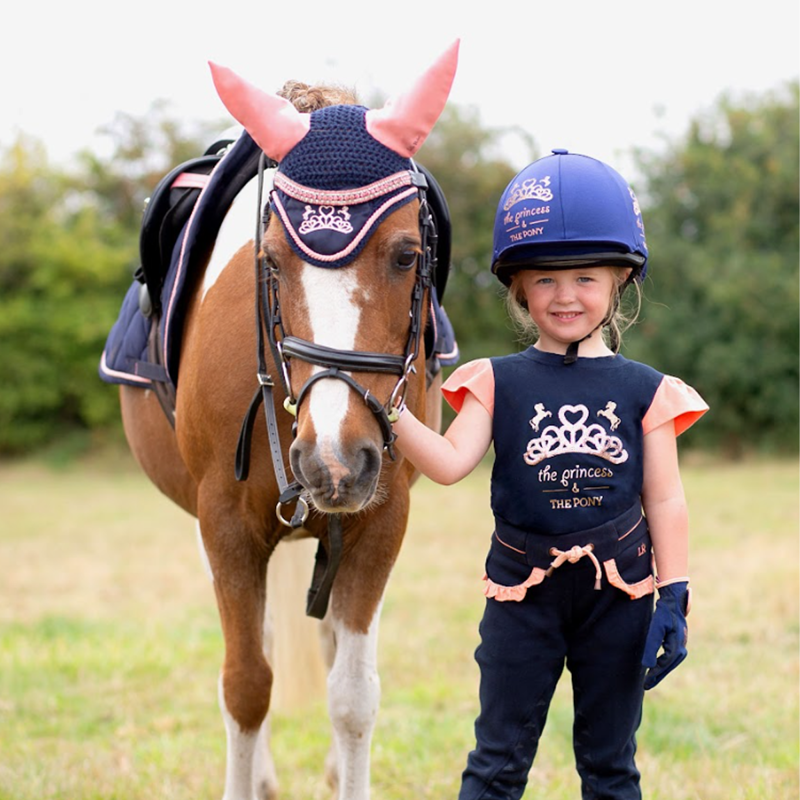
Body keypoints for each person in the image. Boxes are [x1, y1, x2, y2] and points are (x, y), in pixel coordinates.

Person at [392, 149, 709, 800]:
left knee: (610, 765)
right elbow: (451, 464)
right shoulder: (494, 381)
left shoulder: (646, 390)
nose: (566, 296)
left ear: (620, 279)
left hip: (619, 597)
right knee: (497, 764)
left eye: (586, 278)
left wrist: (673, 595)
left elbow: (666, 498)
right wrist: (388, 413)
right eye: (545, 281)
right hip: (520, 601)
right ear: (518, 288)